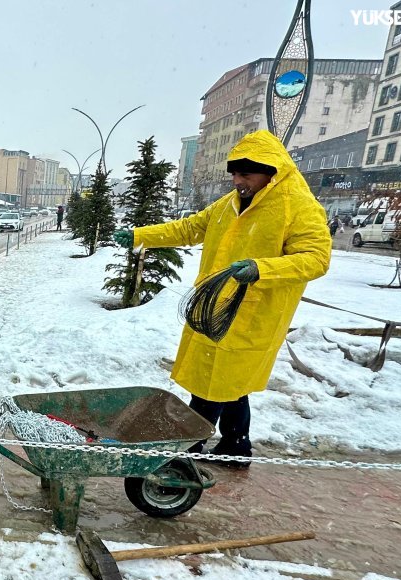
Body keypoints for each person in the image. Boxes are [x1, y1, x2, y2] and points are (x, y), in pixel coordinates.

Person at [112, 130, 331, 468]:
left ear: (271, 172)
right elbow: (188, 229)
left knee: (212, 385)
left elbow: (317, 258)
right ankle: (236, 447)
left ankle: (186, 450)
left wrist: (261, 269)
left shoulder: (298, 207)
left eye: (245, 174)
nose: (237, 181)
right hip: (215, 308)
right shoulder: (228, 205)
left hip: (253, 315)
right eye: (234, 173)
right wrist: (141, 236)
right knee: (229, 382)